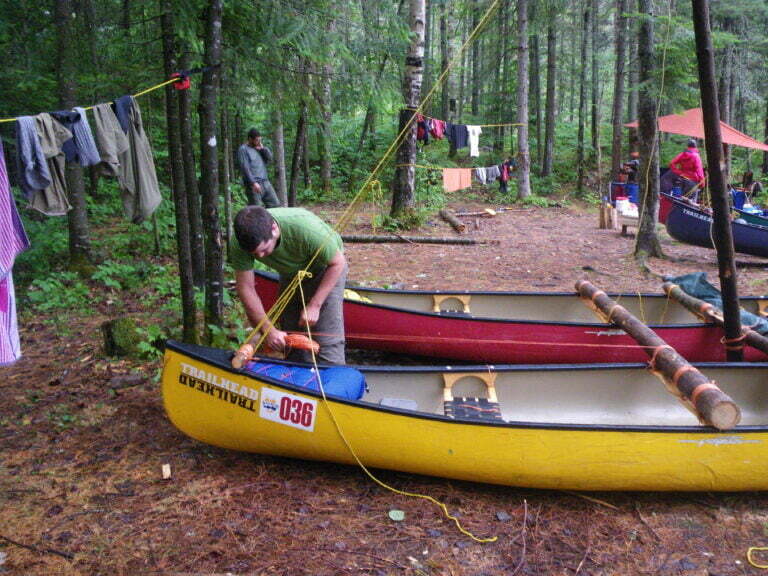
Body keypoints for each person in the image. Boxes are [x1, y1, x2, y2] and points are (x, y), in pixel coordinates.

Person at [231, 206, 347, 365]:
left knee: (327, 335)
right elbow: (245, 288)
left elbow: (338, 263)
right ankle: (296, 379)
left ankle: (333, 380)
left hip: (326, 269)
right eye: (254, 254)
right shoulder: (241, 242)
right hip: (291, 273)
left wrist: (315, 305)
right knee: (290, 331)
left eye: (264, 250)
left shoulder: (305, 229)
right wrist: (269, 330)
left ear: (273, 229)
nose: (260, 256)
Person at [237, 128, 280, 208]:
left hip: (265, 182)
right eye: (257, 140)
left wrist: (263, 149)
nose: (259, 142)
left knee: (275, 204)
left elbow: (270, 159)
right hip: (253, 185)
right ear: (250, 139)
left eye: (260, 140)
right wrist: (253, 183)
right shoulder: (243, 150)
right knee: (257, 209)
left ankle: (269, 221)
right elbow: (245, 168)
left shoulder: (259, 148)